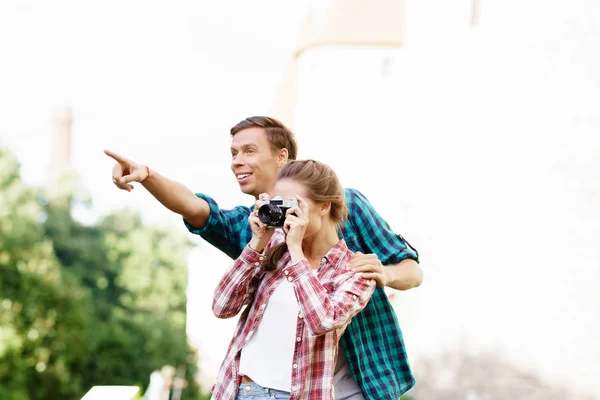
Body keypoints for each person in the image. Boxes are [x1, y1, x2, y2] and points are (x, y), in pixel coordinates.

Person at [105, 116, 423, 399]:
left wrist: (384, 273)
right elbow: (197, 209)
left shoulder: (345, 203)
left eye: (249, 151)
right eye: (233, 153)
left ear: (282, 157)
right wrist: (146, 175)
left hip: (356, 379)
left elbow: (411, 270)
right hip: (264, 385)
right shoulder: (259, 227)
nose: (237, 161)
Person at [212, 159, 376, 400]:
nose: (286, 213)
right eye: (281, 203)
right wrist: (256, 244)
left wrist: (296, 250)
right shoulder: (273, 250)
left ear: (324, 206)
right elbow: (222, 307)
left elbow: (322, 320)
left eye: (295, 204)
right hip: (242, 390)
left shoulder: (355, 270)